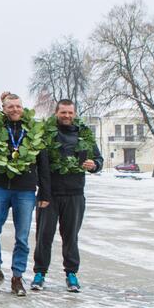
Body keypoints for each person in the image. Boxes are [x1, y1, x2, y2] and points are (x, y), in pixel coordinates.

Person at [31, 99, 102, 293]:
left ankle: (71, 273)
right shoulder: (45, 133)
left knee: (70, 236)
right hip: (49, 194)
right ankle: (40, 273)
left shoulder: (84, 134)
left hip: (75, 194)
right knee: (44, 236)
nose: (67, 116)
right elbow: (36, 162)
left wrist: (94, 165)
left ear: (75, 113)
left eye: (70, 113)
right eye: (63, 112)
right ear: (56, 113)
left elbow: (98, 159)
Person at [0, 93, 51, 297]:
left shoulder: (33, 130)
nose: (15, 110)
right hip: (1, 187)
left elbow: (43, 165)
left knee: (22, 237)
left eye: (18, 106)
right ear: (3, 108)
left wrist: (45, 193)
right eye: (10, 106)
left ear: (23, 108)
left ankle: (17, 276)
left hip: (26, 190)